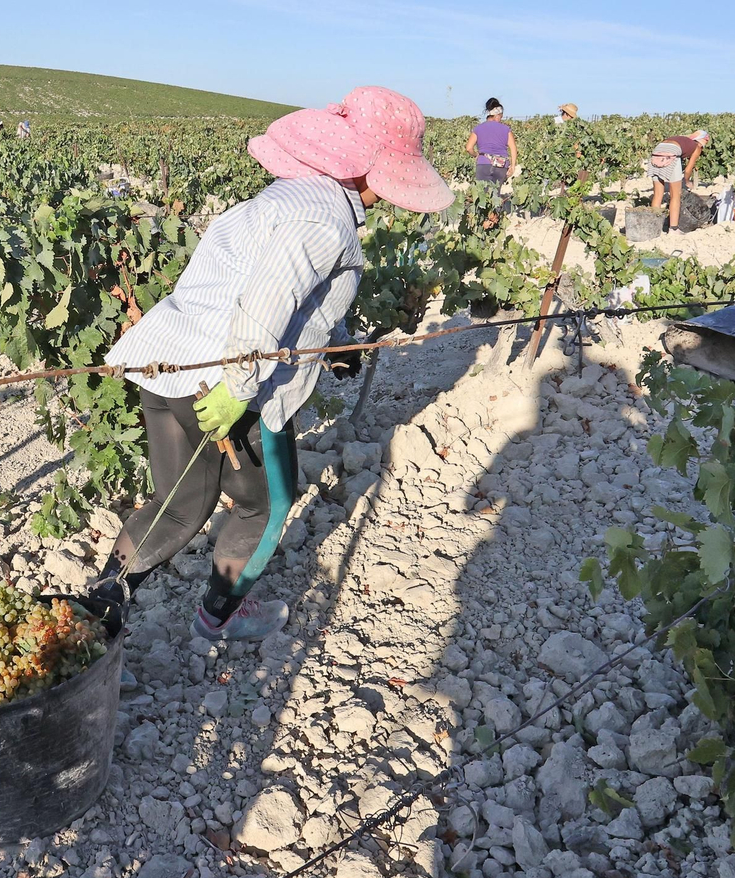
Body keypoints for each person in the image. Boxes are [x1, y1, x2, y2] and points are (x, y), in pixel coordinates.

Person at [92, 86, 453, 642]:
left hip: (168, 366)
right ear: (367, 170)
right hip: (227, 382)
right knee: (267, 502)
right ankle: (221, 615)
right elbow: (267, 305)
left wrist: (338, 342)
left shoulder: (284, 197)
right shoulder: (326, 219)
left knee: (178, 505)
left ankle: (102, 601)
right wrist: (240, 385)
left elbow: (285, 293)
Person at [648, 129, 709, 229]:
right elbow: (688, 170)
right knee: (675, 195)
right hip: (671, 154)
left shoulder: (682, 140)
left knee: (658, 194)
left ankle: (654, 227)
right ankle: (673, 229)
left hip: (657, 152)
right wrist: (687, 181)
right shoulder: (697, 147)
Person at [464, 98, 517, 188]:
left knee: (482, 195)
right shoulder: (506, 129)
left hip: (483, 164)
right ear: (497, 115)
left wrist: (476, 155)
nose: (501, 118)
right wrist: (512, 166)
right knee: (496, 195)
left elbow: (469, 148)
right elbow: (513, 148)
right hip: (501, 166)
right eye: (501, 116)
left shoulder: (478, 128)